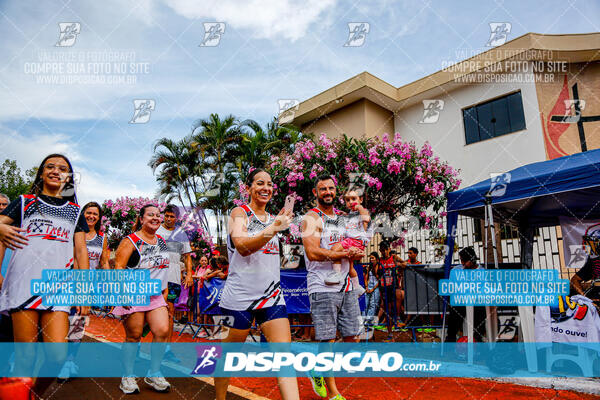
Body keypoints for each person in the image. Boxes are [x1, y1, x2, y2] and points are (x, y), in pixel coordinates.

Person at [0, 154, 89, 397]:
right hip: (23, 284)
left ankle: (33, 394)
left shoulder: (75, 211)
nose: (55, 170)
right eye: (50, 166)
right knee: (25, 355)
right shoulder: (24, 202)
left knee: (58, 356)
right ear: (41, 173)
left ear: (68, 178)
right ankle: (18, 395)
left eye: (62, 168)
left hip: (58, 287)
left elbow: (81, 252)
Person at [215, 168, 299, 400]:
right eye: (260, 183)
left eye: (270, 184)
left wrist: (277, 226)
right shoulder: (239, 213)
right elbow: (242, 246)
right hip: (238, 299)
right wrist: (273, 228)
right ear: (249, 188)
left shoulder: (275, 220)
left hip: (272, 298)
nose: (266, 188)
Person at [302, 174, 363, 400]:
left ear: (335, 191)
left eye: (330, 188)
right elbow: (312, 252)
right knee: (327, 338)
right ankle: (334, 393)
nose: (327, 192)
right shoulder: (311, 218)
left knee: (352, 338)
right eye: (322, 189)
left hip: (345, 284)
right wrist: (341, 253)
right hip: (322, 285)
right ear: (315, 193)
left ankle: (317, 366)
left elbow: (353, 245)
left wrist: (354, 252)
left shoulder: (342, 218)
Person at [112, 204, 172, 394]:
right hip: (133, 294)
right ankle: (127, 376)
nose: (155, 218)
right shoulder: (130, 241)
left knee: (162, 330)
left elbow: (162, 266)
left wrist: (165, 287)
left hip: (155, 295)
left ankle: (153, 372)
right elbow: (119, 268)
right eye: (150, 215)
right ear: (141, 218)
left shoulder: (162, 241)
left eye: (157, 215)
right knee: (134, 335)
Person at [59, 201, 110, 381]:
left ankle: (69, 361)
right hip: (69, 283)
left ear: (99, 218)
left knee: (78, 322)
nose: (91, 216)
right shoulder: (75, 233)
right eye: (88, 213)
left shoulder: (102, 238)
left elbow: (104, 262)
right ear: (82, 214)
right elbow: (72, 258)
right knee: (61, 321)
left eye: (95, 214)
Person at [156, 204, 193, 363]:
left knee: (169, 313)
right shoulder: (155, 230)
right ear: (163, 215)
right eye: (167, 215)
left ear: (177, 218)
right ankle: (136, 345)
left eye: (172, 216)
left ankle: (167, 349)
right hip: (155, 277)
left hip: (173, 279)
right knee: (147, 311)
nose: (169, 219)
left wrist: (190, 273)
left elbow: (187, 256)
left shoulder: (182, 234)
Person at [324, 189, 371, 297]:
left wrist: (360, 207)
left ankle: (337, 274)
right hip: (354, 242)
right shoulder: (352, 214)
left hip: (354, 241)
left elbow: (366, 218)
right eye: (348, 200)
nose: (350, 202)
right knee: (349, 267)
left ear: (361, 199)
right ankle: (357, 286)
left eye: (354, 199)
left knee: (335, 249)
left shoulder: (362, 211)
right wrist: (345, 214)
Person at [445, 246, 486, 343]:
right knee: (454, 315)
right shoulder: (455, 271)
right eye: (461, 260)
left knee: (480, 313)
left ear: (472, 260)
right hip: (460, 301)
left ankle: (477, 341)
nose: (462, 263)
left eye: (465, 261)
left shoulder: (482, 272)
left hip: (476, 302)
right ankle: (450, 341)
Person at [378, 241, 399, 340]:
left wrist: (399, 266)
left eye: (385, 250)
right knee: (387, 309)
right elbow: (376, 273)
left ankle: (398, 323)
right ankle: (390, 333)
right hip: (384, 288)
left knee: (394, 308)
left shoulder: (394, 258)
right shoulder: (380, 261)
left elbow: (404, 264)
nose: (384, 252)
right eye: (382, 250)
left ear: (389, 249)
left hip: (394, 287)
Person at [364, 252, 380, 321]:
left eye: (373, 258)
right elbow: (366, 277)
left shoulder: (379, 267)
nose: (371, 259)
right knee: (365, 303)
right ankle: (363, 319)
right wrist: (366, 287)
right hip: (369, 286)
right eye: (370, 258)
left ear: (377, 259)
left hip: (376, 287)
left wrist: (373, 289)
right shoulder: (369, 266)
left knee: (373, 304)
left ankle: (368, 320)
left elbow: (380, 280)